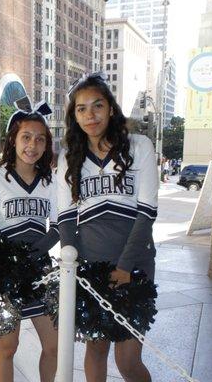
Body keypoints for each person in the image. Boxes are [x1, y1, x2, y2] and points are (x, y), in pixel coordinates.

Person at [57, 72, 158, 382]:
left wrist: (126, 267)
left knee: (128, 362)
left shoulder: (139, 146)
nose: (91, 115)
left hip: (135, 265)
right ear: (74, 116)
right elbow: (66, 219)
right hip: (91, 269)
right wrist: (72, 267)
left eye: (97, 106)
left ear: (111, 109)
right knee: (96, 350)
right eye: (82, 108)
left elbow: (147, 212)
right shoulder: (69, 157)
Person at [0, 97, 59, 382]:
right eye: (26, 137)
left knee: (53, 346)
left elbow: (59, 226)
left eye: (40, 139)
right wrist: (1, 270)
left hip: (40, 272)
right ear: (13, 140)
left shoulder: (51, 180)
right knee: (8, 346)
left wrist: (34, 255)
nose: (32, 146)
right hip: (5, 273)